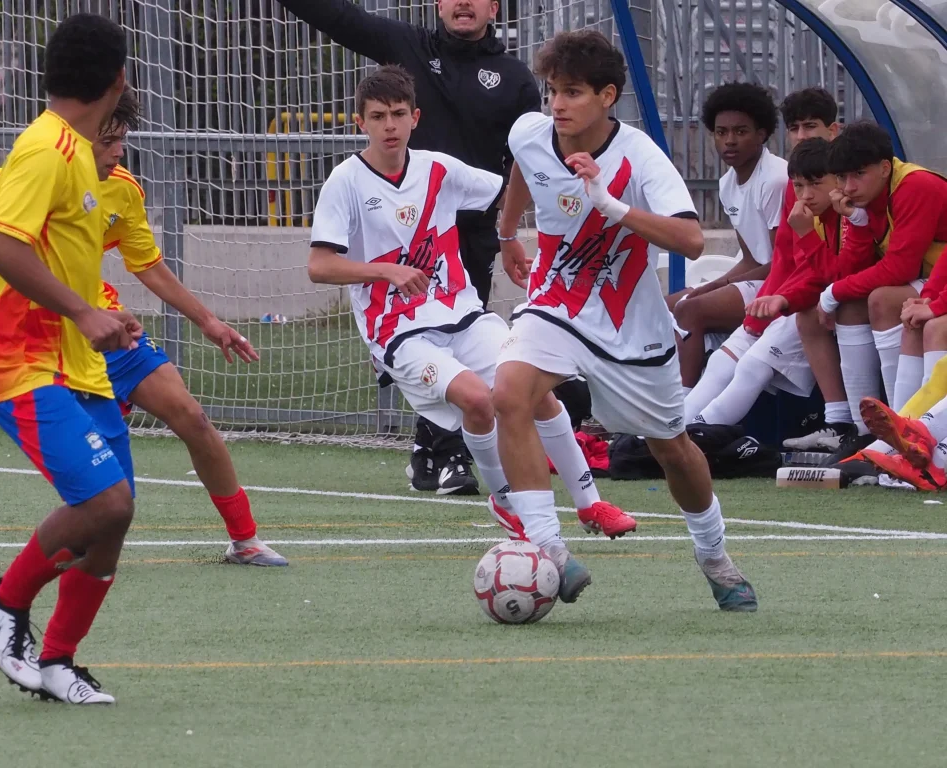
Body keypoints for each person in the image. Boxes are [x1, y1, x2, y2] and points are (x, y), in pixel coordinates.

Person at [0, 86, 288, 568]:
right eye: (107, 142)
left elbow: (148, 265)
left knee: (193, 418)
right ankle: (46, 569)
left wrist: (209, 322)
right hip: (45, 343)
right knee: (103, 495)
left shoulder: (123, 189)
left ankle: (245, 538)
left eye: (123, 142)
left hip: (109, 329)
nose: (117, 154)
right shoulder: (34, 170)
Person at [307, 66, 633, 600]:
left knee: (535, 393)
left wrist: (531, 217)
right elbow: (319, 266)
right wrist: (386, 271)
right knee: (479, 401)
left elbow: (508, 186)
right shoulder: (345, 181)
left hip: (464, 315)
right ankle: (505, 501)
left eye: (398, 115)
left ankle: (589, 501)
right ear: (359, 122)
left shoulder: (439, 169)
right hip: (400, 333)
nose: (389, 126)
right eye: (377, 117)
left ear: (415, 118)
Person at [496, 30, 756, 611]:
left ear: (607, 95)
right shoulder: (531, 132)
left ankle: (714, 555)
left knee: (672, 449)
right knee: (509, 393)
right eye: (551, 91)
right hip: (556, 303)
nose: (557, 104)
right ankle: (549, 552)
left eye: (572, 92)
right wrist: (508, 231)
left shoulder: (640, 156)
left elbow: (691, 239)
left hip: (630, 329)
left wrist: (611, 205)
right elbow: (523, 167)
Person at [272, 0, 542, 494]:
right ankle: (455, 461)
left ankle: (447, 455)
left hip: (466, 237)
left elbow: (525, 163)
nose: (463, 3)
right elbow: (343, 19)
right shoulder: (408, 48)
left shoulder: (516, 79)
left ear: (495, 7)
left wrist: (509, 236)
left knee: (504, 371)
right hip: (397, 249)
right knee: (456, 376)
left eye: (399, 114)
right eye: (380, 115)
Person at [0, 13, 133, 704]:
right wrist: (85, 313)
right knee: (104, 502)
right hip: (20, 362)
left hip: (75, 363)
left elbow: (55, 256)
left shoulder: (78, 151)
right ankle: (5, 600)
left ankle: (60, 660)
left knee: (115, 517)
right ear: (118, 80)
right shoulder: (45, 148)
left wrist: (101, 315)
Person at [682, 88, 844, 432]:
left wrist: (781, 299)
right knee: (721, 359)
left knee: (750, 364)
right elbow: (782, 259)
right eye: (795, 128)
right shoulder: (790, 184)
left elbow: (830, 270)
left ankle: (845, 425)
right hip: (787, 292)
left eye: (810, 126)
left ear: (833, 131)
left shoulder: (837, 189)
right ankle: (670, 433)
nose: (802, 136)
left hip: (817, 298)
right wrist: (771, 300)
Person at [812, 121, 947, 462]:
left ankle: (900, 431)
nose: (848, 186)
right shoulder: (863, 198)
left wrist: (831, 293)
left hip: (935, 284)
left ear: (885, 168)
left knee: (881, 301)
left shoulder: (915, 185)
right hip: (931, 283)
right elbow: (849, 272)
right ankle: (865, 433)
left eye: (858, 174)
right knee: (850, 305)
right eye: (841, 177)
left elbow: (899, 269)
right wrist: (856, 222)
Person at [670, 82, 786, 388]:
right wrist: (709, 286)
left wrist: (717, 285)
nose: (729, 141)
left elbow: (783, 262)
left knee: (690, 309)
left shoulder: (775, 179)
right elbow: (751, 258)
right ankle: (656, 393)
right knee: (666, 305)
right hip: (757, 277)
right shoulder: (726, 184)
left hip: (781, 284)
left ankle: (683, 402)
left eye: (740, 131)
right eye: (721, 132)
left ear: (762, 134)